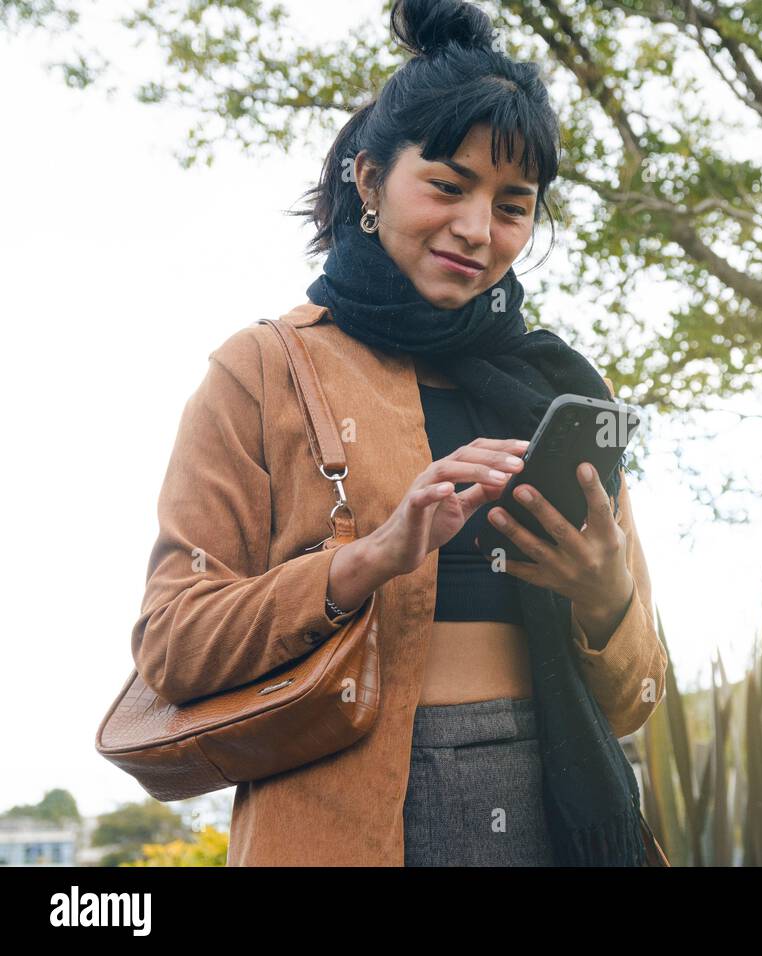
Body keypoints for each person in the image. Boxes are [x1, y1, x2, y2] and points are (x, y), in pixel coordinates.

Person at [130, 0, 666, 866]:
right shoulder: (262, 370)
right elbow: (173, 645)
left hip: (561, 816)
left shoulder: (559, 391)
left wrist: (605, 595)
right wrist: (370, 557)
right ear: (369, 178)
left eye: (512, 205)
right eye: (448, 186)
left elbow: (636, 699)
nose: (475, 229)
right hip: (343, 821)